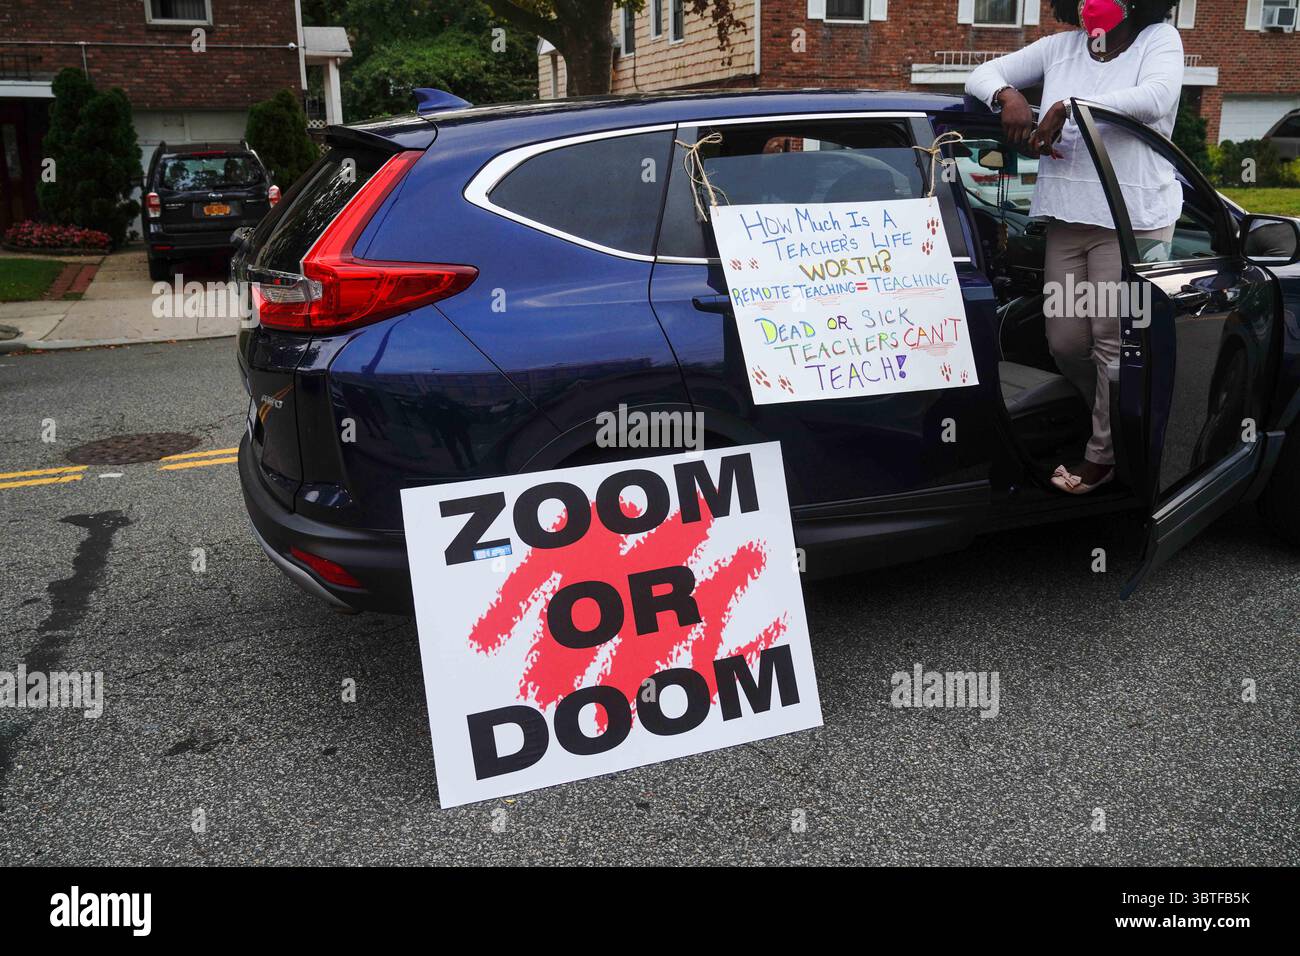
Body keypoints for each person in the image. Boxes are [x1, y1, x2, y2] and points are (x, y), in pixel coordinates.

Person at [967, 1, 1184, 494]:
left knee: (1111, 340)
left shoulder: (1158, 42)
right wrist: (1008, 97)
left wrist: (1068, 106)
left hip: (1130, 220)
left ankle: (1103, 456)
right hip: (1068, 213)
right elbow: (983, 72)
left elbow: (1156, 97)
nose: (1089, 3)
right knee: (1065, 340)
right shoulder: (1059, 49)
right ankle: (1116, 424)